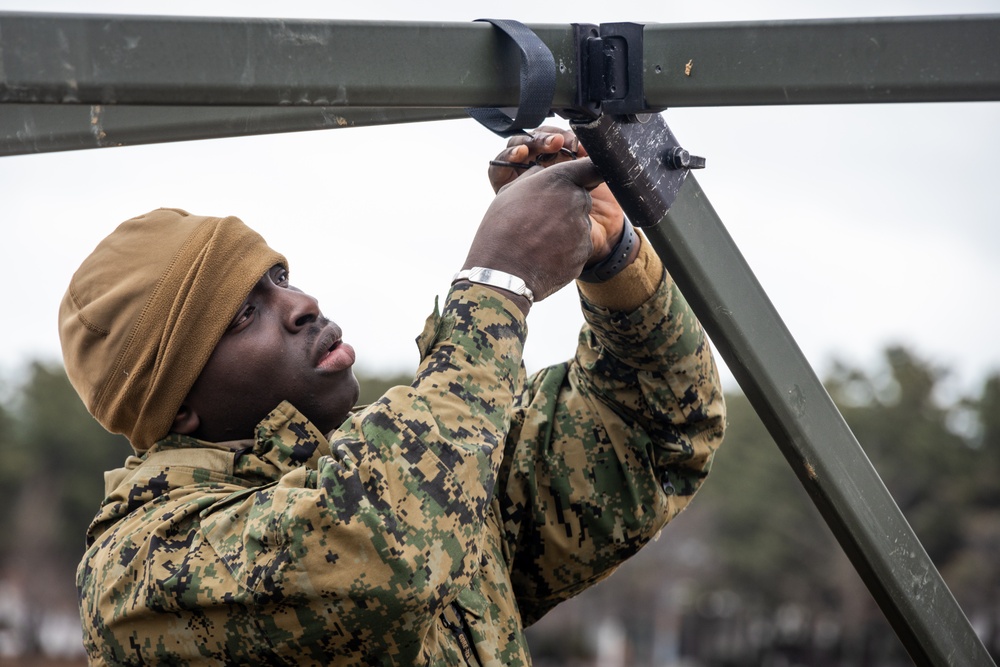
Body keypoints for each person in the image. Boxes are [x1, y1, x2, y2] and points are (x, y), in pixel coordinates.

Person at [62, 128, 726, 666]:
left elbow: (652, 436)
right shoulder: (139, 571)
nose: (302, 305)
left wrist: (613, 262)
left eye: (280, 278)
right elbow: (379, 555)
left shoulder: (426, 479)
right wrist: (495, 283)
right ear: (178, 407)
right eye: (244, 313)